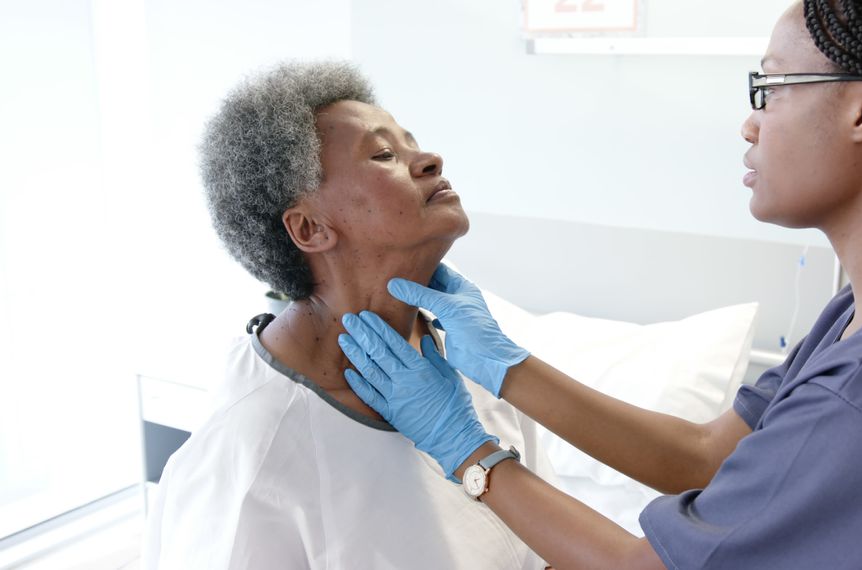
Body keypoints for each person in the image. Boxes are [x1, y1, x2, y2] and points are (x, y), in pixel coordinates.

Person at [338, 1, 862, 568]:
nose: (750, 126)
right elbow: (706, 454)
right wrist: (507, 366)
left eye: (772, 89)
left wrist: (468, 453)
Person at [143, 61, 555, 569]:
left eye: (411, 142)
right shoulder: (252, 452)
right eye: (384, 154)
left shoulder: (478, 365)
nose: (429, 159)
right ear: (311, 229)